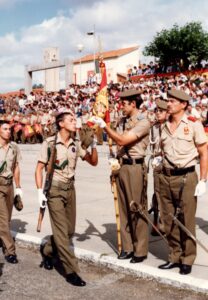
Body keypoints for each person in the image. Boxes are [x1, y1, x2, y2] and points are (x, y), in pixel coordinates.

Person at [35, 109, 98, 287]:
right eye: (70, 119)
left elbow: (93, 162)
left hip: (70, 189)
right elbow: (39, 169)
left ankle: (47, 250)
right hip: (54, 190)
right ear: (61, 124)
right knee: (62, 234)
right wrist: (40, 192)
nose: (74, 121)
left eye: (74, 119)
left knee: (69, 231)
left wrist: (93, 145)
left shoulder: (75, 143)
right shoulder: (49, 143)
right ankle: (71, 271)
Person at [90, 89, 150, 263]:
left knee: (136, 209)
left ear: (133, 103)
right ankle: (127, 247)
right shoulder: (122, 121)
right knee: (123, 209)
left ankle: (140, 250)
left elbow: (123, 140)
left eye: (124, 103)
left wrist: (105, 127)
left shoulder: (143, 121)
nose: (121, 106)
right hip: (121, 166)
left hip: (135, 168)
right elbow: (116, 138)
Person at [158, 89, 207, 275]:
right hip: (166, 176)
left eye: (171, 101)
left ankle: (188, 258)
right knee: (168, 218)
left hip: (186, 177)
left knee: (186, 219)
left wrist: (203, 180)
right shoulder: (163, 125)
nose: (168, 104)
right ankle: (174, 255)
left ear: (183, 104)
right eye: (167, 100)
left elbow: (204, 153)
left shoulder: (194, 124)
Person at [0, 120, 23, 264]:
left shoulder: (14, 147)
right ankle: (10, 251)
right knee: (3, 220)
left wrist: (18, 187)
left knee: (7, 218)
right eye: (5, 129)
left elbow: (16, 167)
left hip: (9, 185)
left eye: (9, 129)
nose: (9, 131)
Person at [149, 99, 168, 235]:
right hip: (157, 163)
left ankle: (166, 222)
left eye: (161, 111)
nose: (157, 113)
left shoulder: (171, 126)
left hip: (170, 164)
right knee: (157, 193)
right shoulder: (154, 127)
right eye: (156, 111)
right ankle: (156, 222)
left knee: (168, 195)